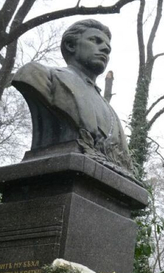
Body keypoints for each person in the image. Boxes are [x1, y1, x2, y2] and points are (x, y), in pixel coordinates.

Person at [12, 19, 134, 177]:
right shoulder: (38, 75)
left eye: (108, 48)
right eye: (95, 40)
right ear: (70, 45)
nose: (105, 49)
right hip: (56, 176)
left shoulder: (111, 113)